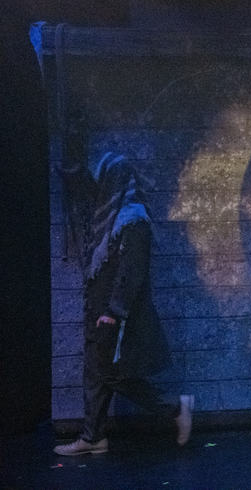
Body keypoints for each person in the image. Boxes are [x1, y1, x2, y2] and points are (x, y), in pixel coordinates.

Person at [54, 152, 193, 456]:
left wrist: (114, 312)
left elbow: (132, 271)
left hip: (119, 318)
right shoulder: (109, 218)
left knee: (114, 375)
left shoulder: (133, 218)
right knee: (94, 373)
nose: (101, 187)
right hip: (99, 311)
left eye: (105, 180)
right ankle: (93, 437)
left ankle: (174, 408)